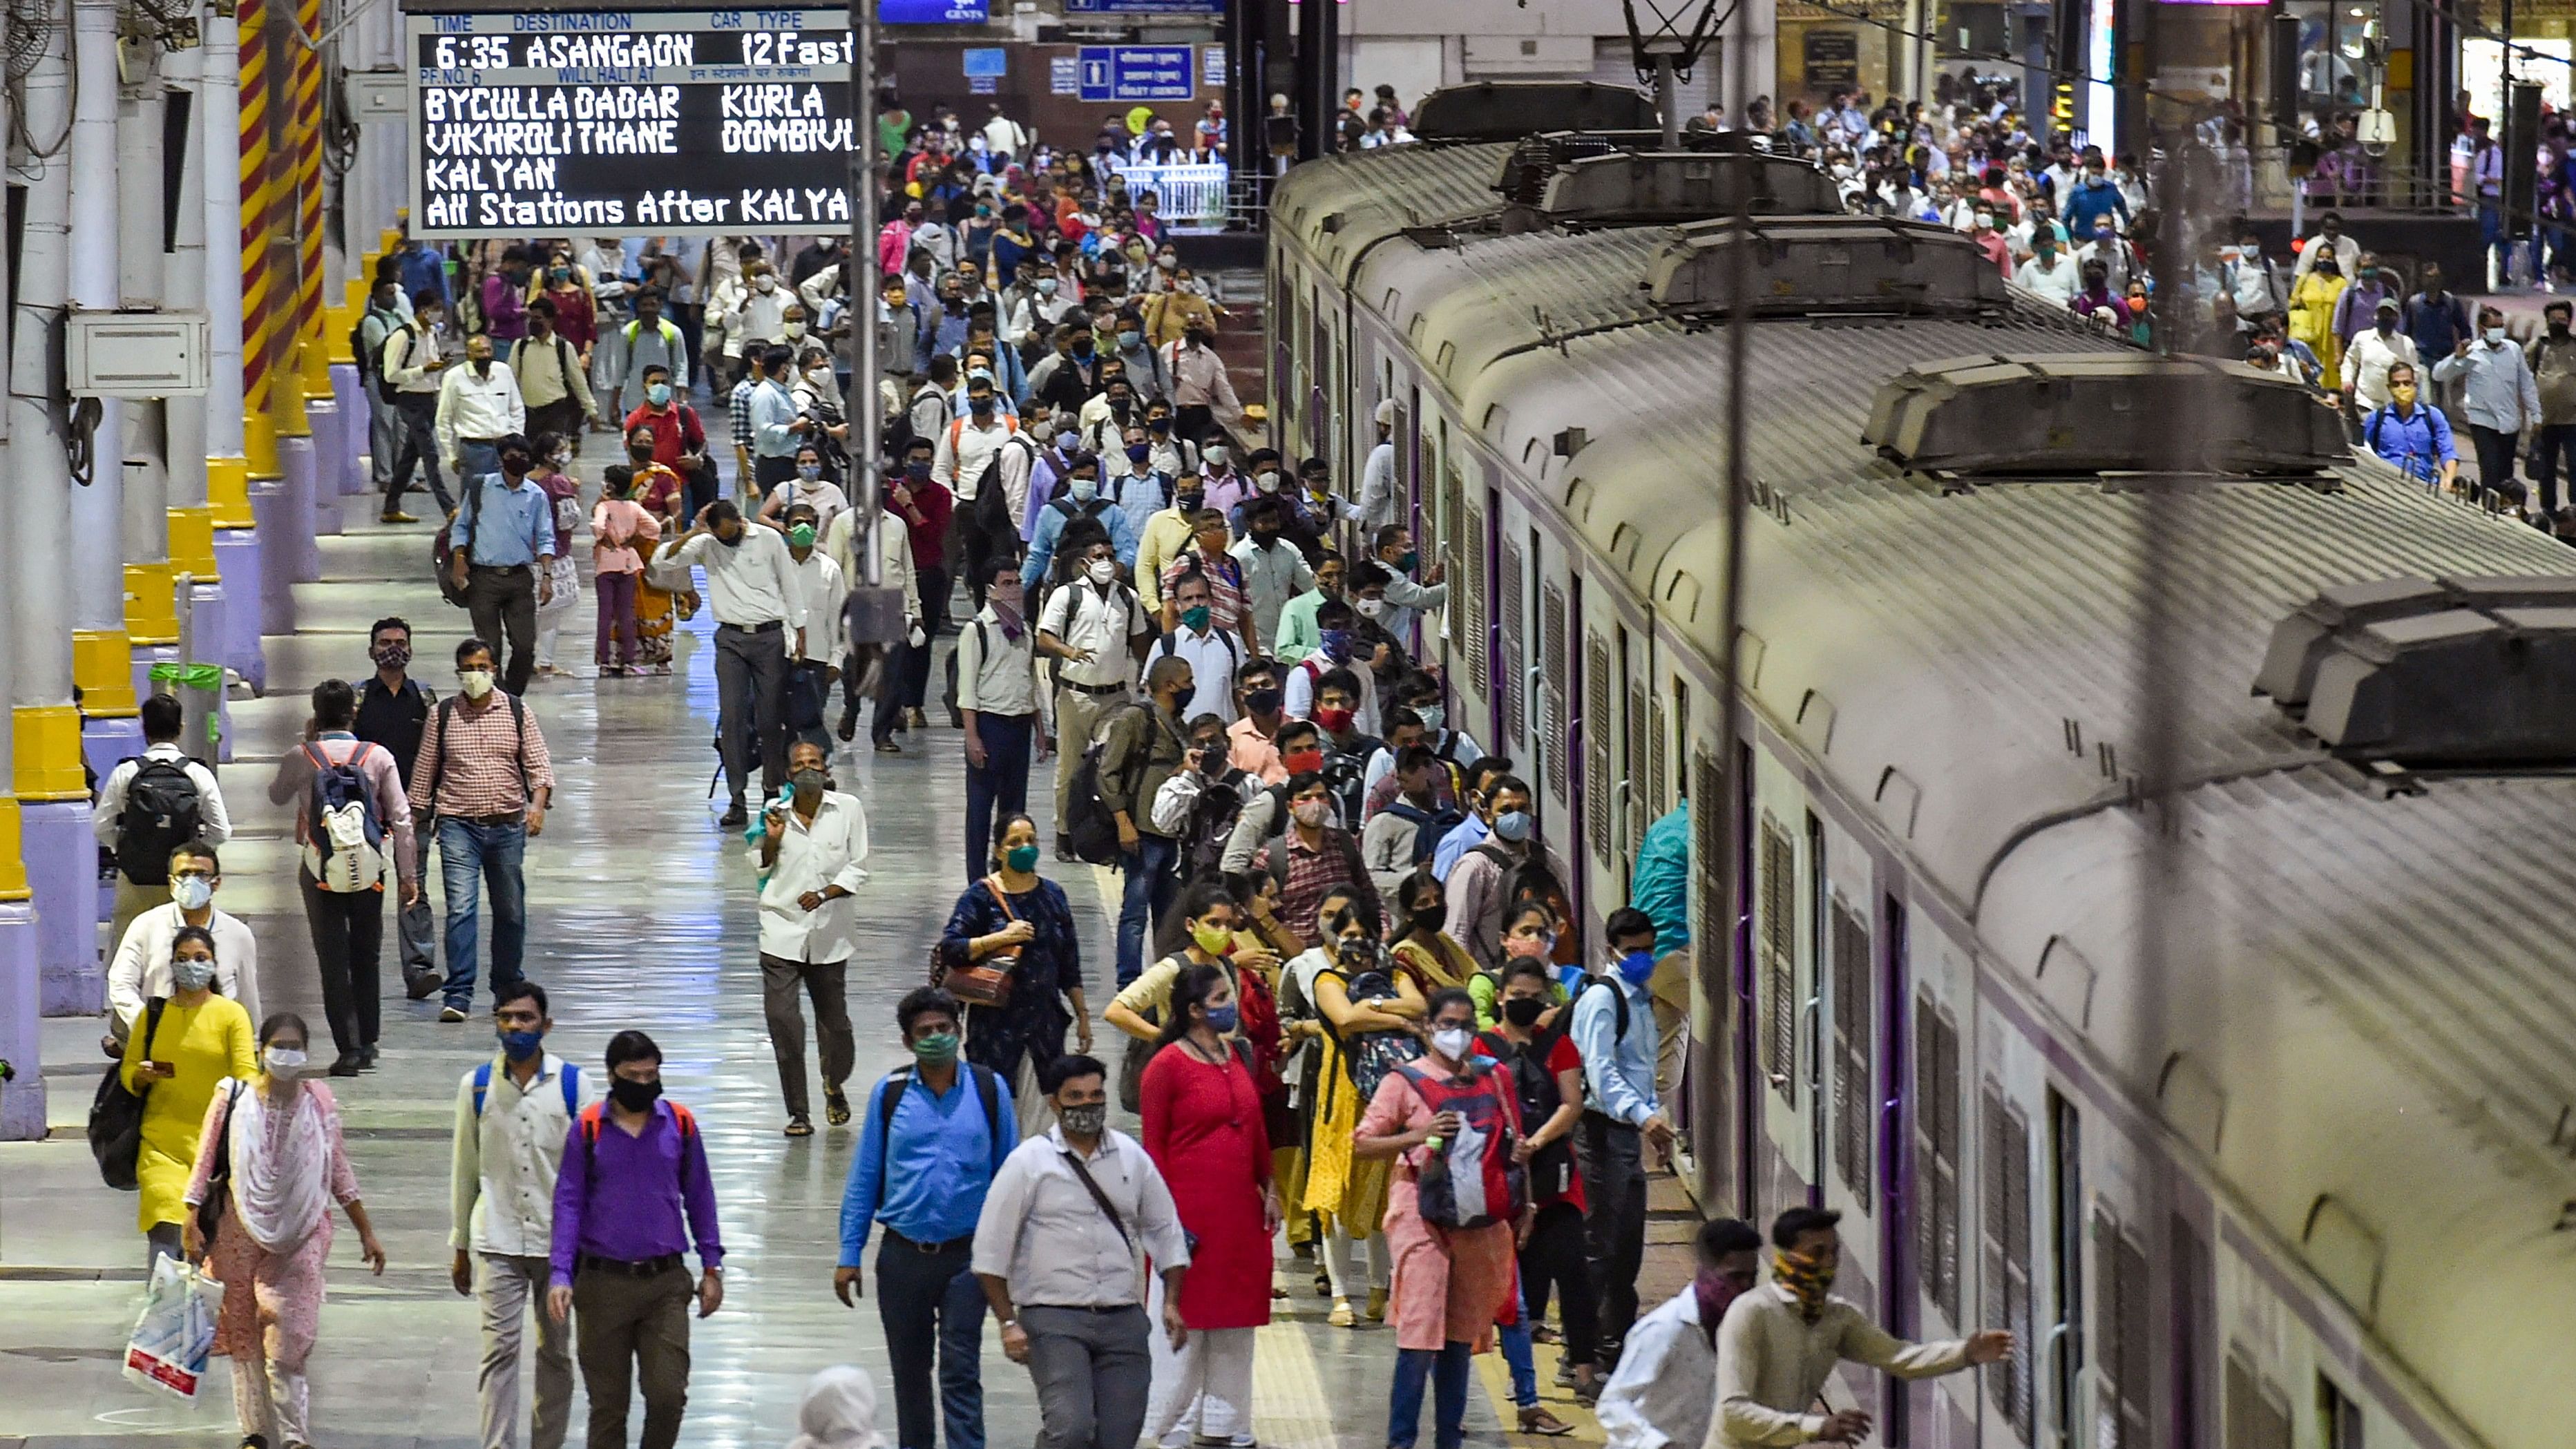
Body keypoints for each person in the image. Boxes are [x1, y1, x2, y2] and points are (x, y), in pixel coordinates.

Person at [183, 1010, 385, 1449]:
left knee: (288, 1337)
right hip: (239, 1229)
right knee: (244, 1332)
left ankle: (295, 1437)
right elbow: (203, 1160)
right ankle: (255, 1432)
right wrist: (190, 1216)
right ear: (261, 1051)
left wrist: (366, 1231)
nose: (287, 1054)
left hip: (303, 1231)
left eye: (296, 1047)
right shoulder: (233, 1099)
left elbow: (338, 1169)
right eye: (280, 1046)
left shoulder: (320, 1104)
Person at [971, 1053, 1192, 1449]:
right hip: (1053, 1319)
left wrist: (1172, 1302)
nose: (1088, 1106)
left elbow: (1165, 1230)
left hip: (1122, 1318)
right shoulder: (1028, 1163)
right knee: (1070, 1430)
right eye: (1075, 1097)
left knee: (1119, 1436)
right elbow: (990, 1251)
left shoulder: (1131, 1157)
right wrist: (1008, 1323)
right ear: (1054, 1103)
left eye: (1095, 1095)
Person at [837, 987, 1018, 1449]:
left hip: (967, 1260)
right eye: (925, 1032)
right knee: (910, 1376)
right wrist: (848, 1252)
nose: (936, 1038)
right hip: (902, 1259)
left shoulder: (988, 1089)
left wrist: (1013, 1255)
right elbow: (865, 1177)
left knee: (961, 1371)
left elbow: (1010, 1179)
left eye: (944, 1029)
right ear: (907, 1041)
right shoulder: (890, 1094)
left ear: (958, 1032)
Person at [1352, 987, 1524, 1449]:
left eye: (1466, 1025)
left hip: (1476, 1221)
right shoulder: (1403, 1082)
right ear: (1427, 1027)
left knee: (1459, 1337)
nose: (1458, 1034)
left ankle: (1449, 1438)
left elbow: (1512, 1143)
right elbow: (1362, 1142)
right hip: (1419, 1218)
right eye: (1447, 1024)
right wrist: (1419, 1134)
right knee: (1418, 1333)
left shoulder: (1492, 1077)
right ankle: (1401, 1441)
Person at [546, 1030, 725, 1449]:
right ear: (612, 1076)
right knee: (608, 1407)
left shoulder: (679, 1125)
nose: (644, 1085)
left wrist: (712, 1266)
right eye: (633, 1076)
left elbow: (700, 1196)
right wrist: (560, 1273)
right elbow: (568, 1203)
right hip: (601, 1285)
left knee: (667, 1395)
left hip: (664, 1285)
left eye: (651, 1076)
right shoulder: (588, 1129)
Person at [1713, 1206, 2013, 1448]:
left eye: (1834, 1252)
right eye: (1818, 1253)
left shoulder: (1838, 1318)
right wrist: (1816, 1427)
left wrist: (1966, 1353)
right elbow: (1733, 1413)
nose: (1829, 1263)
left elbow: (1900, 1358)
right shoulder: (1751, 1313)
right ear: (1788, 1257)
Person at [1138, 963, 1277, 1449]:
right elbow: (1153, 1149)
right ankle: (1170, 1425)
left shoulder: (1235, 1056)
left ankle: (1226, 1421)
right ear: (1194, 1010)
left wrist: (1270, 1186)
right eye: (1220, 998)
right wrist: (1161, 1218)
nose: (1229, 1006)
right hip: (1186, 1215)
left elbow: (1255, 1128)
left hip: (1238, 1213)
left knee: (1236, 1323)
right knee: (1184, 1322)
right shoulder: (1164, 1068)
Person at [448, 981, 582, 1449]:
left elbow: (588, 1173)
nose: (514, 1027)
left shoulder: (572, 1085)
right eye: (505, 1017)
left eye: (525, 1018)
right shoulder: (477, 1087)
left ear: (546, 1025)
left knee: (556, 1355)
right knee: (498, 1353)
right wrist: (460, 1245)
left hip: (558, 1247)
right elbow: (465, 1168)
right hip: (497, 1240)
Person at [267, 679, 419, 1075]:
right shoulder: (377, 755)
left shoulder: (301, 756)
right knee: (366, 955)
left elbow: (276, 796)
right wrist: (408, 875)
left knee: (332, 959)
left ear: (316, 715)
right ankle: (369, 1041)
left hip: (319, 869)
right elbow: (401, 818)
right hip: (370, 870)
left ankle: (347, 1048)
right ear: (355, 712)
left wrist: (304, 745)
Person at [410, 637, 556, 1024]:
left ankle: (507, 988)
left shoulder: (515, 711)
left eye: (483, 667)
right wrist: (411, 827)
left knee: (510, 911)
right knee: (461, 909)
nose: (476, 675)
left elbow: (539, 768)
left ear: (494, 669)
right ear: (459, 672)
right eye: (469, 668)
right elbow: (424, 775)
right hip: (459, 826)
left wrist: (536, 808)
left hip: (507, 826)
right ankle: (458, 993)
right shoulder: (442, 716)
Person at [1480, 957, 1599, 1419]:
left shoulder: (1558, 1045)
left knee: (1574, 1270)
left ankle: (1584, 1367)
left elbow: (1572, 1103)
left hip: (1555, 1177)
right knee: (1519, 1280)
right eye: (1518, 997)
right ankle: (1519, 1374)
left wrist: (1536, 1141)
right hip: (1505, 1179)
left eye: (1534, 998)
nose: (1525, 1005)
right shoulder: (1482, 1046)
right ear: (1501, 997)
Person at [1292, 898, 1413, 1327]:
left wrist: (1375, 1010)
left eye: (1364, 934)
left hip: (1386, 1097)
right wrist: (1393, 1015)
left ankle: (1381, 1288)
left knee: (1384, 1194)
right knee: (1335, 1195)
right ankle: (1342, 1295)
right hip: (1340, 1101)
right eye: (1349, 936)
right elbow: (1344, 1020)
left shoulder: (1396, 975)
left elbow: (1420, 1007)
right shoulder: (1328, 979)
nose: (1357, 943)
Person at [941, 812, 1094, 1135]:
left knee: (1044, 1121)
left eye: (1031, 841)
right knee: (995, 1120)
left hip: (1045, 1029)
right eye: (1015, 842)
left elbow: (1069, 962)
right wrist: (999, 938)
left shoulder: (1054, 896)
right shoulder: (980, 897)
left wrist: (1082, 1013)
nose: (1025, 848)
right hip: (995, 1032)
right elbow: (951, 948)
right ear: (999, 851)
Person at [660, 499, 808, 827]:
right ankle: (737, 797)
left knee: (771, 720)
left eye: (733, 534)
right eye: (721, 536)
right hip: (730, 640)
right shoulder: (707, 542)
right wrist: (693, 532)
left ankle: (772, 791)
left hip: (770, 637)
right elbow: (663, 562)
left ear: (740, 522)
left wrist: (800, 633)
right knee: (732, 720)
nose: (729, 540)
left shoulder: (767, 539)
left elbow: (790, 585)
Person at [122, 924, 257, 1265]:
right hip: (160, 1145)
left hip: (213, 1150)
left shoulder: (231, 1015)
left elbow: (247, 1075)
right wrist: (140, 1076)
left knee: (207, 1242)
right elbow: (129, 1070)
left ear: (214, 964)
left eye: (200, 958)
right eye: (182, 959)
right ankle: (164, 1307)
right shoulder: (153, 1016)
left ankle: (202, 1311)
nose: (191, 966)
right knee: (166, 1229)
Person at [757, 740, 870, 1135]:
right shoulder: (773, 813)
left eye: (814, 763)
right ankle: (799, 1113)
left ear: (825, 769)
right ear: (789, 774)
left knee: (835, 1026)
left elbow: (858, 868)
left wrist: (825, 894)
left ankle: (834, 1083)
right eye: (799, 764)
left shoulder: (848, 809)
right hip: (781, 933)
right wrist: (772, 838)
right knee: (783, 1021)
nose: (807, 769)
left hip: (830, 935)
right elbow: (758, 866)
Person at [1573, 907, 1670, 1363]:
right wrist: (1642, 1114)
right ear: (1612, 950)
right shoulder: (1603, 1000)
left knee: (1626, 1248)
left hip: (1626, 1138)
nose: (1642, 959)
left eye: (1648, 950)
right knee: (1598, 1248)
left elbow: (1640, 1073)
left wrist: (1650, 1119)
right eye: (1632, 952)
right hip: (1599, 1136)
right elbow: (1601, 1074)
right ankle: (1582, 1354)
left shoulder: (1640, 998)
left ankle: (1615, 1346)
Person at [1593, 1218, 1762, 1449]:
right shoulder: (1665, 1328)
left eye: (1751, 1279)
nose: (1744, 1288)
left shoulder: (1742, 1331)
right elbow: (1612, 1403)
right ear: (1705, 1273)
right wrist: (1659, 1445)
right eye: (1734, 1277)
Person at [95, 691, 232, 952]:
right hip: (184, 882)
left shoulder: (127, 772)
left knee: (130, 957)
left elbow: (100, 825)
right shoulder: (197, 774)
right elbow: (221, 831)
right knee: (184, 955)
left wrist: (125, 849)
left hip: (135, 880)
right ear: (181, 729)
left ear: (144, 729)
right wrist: (191, 855)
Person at [1036, 535, 1152, 840]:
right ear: (1085, 563)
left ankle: (1110, 830)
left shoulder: (1128, 598)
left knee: (1113, 763)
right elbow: (1044, 636)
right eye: (1099, 556)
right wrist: (1069, 651)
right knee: (1070, 769)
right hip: (1075, 696)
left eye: (1110, 556)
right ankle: (1064, 831)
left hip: (1115, 697)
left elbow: (1140, 643)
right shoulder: (1067, 595)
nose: (1105, 562)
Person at [354, 617, 443, 997]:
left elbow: (439, 753)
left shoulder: (425, 700)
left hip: (415, 808)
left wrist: (434, 801)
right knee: (362, 888)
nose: (394, 648)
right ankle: (361, 967)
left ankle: (419, 970)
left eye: (401, 641)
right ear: (371, 649)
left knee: (414, 888)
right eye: (385, 641)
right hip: (365, 814)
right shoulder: (356, 699)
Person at [105, 842, 262, 1048]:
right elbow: (121, 983)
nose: (191, 882)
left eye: (201, 875)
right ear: (171, 882)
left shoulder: (238, 934)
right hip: (159, 1046)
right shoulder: (146, 926)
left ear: (216, 883)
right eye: (184, 874)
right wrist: (148, 1025)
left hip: (217, 1046)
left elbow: (248, 998)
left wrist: (251, 1048)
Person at [1100, 656, 1196, 985]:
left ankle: (1164, 982)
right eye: (1187, 682)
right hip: (1142, 834)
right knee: (1134, 914)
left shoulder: (1179, 725)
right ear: (1170, 685)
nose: (1191, 688)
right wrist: (1123, 821)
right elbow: (1107, 772)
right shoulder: (1136, 719)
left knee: (1169, 917)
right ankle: (1128, 982)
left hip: (1172, 835)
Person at [958, 556, 1049, 883]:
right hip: (989, 725)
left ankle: (1008, 874)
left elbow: (1031, 683)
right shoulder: (977, 631)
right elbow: (967, 690)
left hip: (1019, 726)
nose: (1014, 590)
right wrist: (973, 737)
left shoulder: (1024, 630)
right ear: (991, 590)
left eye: (1017, 583)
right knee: (980, 812)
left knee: (1013, 810)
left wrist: (1040, 730)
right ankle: (976, 881)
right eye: (1007, 584)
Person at [446, 434, 557, 696]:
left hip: (520, 579)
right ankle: (493, 699)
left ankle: (511, 698)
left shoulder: (536, 496)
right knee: (489, 648)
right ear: (500, 459)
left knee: (525, 646)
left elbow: (545, 538)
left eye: (523, 457)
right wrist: (459, 559)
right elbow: (461, 526)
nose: (517, 461)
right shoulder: (481, 488)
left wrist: (547, 576)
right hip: (483, 579)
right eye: (511, 456)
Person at [1444, 776, 1571, 972]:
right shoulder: (1475, 867)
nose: (1516, 817)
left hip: (1543, 978)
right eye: (1506, 810)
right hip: (1492, 977)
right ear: (1488, 815)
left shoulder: (1547, 860)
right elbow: (1456, 933)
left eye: (1523, 809)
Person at [2434, 306, 2544, 502]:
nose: (2498, 331)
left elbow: (2527, 384)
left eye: (2501, 326)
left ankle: (2501, 511)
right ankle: (2487, 509)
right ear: (2482, 329)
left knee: (2505, 475)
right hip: (2483, 421)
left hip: (2509, 423)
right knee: (2490, 469)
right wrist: (2457, 357)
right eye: (2494, 327)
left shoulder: (2514, 350)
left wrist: (2536, 415)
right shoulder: (2472, 352)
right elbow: (2439, 374)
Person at [383, 287, 459, 517]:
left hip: (429, 399)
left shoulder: (432, 335)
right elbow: (391, 374)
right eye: (436, 310)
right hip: (409, 400)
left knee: (410, 457)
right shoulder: (403, 336)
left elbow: (430, 364)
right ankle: (448, 507)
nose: (439, 315)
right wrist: (422, 370)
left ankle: (391, 506)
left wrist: (438, 364)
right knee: (430, 453)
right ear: (423, 310)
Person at [591, 466, 662, 675]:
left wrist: (603, 537)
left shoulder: (604, 506)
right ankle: (629, 662)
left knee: (605, 614)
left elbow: (597, 526)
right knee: (627, 613)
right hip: (629, 563)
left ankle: (605, 662)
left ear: (609, 485)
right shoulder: (634, 507)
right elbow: (655, 528)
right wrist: (634, 538)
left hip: (606, 563)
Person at [1149, 569, 1240, 726]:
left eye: (1201, 597)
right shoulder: (1165, 646)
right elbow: (1153, 694)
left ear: (1211, 600)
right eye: (1188, 599)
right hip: (1182, 737)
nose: (1196, 603)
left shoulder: (1231, 643)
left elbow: (1239, 693)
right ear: (1177, 605)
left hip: (1224, 736)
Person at [528, 434, 587, 678]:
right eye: (561, 449)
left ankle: (527, 659)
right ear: (548, 455)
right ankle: (545, 662)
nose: (566, 453)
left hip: (525, 556)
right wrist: (575, 495)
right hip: (554, 557)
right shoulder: (560, 484)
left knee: (528, 615)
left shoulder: (526, 481)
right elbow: (567, 521)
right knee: (551, 616)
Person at [439, 332, 531, 485]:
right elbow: (444, 418)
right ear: (469, 353)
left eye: (488, 350)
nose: (486, 355)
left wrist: (516, 439)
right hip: (474, 449)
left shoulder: (504, 371)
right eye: (480, 351)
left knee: (508, 492)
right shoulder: (454, 377)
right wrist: (451, 454)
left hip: (505, 446)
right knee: (476, 497)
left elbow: (516, 408)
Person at [2358, 361, 2458, 489]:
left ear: (2415, 386)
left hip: (2424, 484)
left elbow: (2447, 452)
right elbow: (2367, 451)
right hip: (2387, 484)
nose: (2402, 388)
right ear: (2389, 388)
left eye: (2407, 383)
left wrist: (2449, 479)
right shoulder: (2377, 418)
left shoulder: (2432, 416)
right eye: (2396, 384)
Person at [516, 297, 602, 441]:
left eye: (538, 318)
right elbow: (511, 379)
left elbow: (578, 381)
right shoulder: (521, 346)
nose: (533, 323)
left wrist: (591, 410)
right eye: (531, 318)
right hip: (528, 414)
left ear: (550, 321)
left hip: (555, 413)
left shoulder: (563, 348)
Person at [2530, 299, 2576, 514]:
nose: (2559, 322)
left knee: (2575, 466)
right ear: (2547, 321)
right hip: (2545, 420)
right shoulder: (2537, 346)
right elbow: (2524, 379)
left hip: (2572, 420)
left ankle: (2574, 510)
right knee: (2546, 468)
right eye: (2554, 319)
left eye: (2563, 319)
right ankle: (2548, 509)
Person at [2339, 298, 2418, 419]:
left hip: (2395, 406)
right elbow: (2350, 360)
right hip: (2366, 402)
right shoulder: (2362, 338)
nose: (2385, 318)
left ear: (2396, 318)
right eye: (2382, 314)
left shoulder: (2406, 344)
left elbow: (2414, 372)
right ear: (2375, 316)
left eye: (2390, 315)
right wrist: (2347, 380)